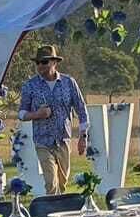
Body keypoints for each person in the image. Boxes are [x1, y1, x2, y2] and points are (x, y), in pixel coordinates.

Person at [16, 43, 87, 193]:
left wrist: (83, 136)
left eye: (44, 62)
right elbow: (21, 113)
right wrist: (37, 114)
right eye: (37, 62)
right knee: (51, 182)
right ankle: (50, 212)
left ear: (54, 62)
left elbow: (81, 109)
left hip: (63, 139)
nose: (40, 65)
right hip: (42, 141)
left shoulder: (69, 83)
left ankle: (60, 210)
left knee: (62, 183)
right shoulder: (30, 86)